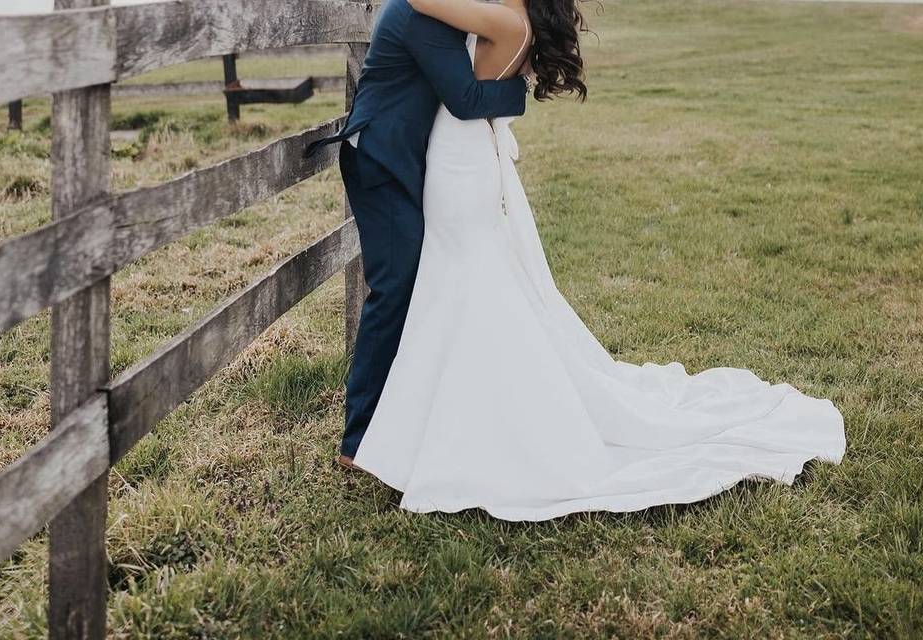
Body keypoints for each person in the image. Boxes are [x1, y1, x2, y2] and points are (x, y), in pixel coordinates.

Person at [341, 0, 846, 521]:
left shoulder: (502, 19)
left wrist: (513, 93)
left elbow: (466, 97)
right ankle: (398, 426)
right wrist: (517, 93)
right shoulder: (485, 16)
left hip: (457, 161)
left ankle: (415, 428)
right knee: (441, 288)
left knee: (458, 289)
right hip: (433, 157)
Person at [303, 0, 534, 466]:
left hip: (410, 161)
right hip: (382, 162)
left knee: (417, 285)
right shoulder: (420, 13)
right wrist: (519, 97)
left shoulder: (442, 12)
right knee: (395, 288)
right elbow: (465, 99)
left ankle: (406, 415)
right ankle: (358, 439)